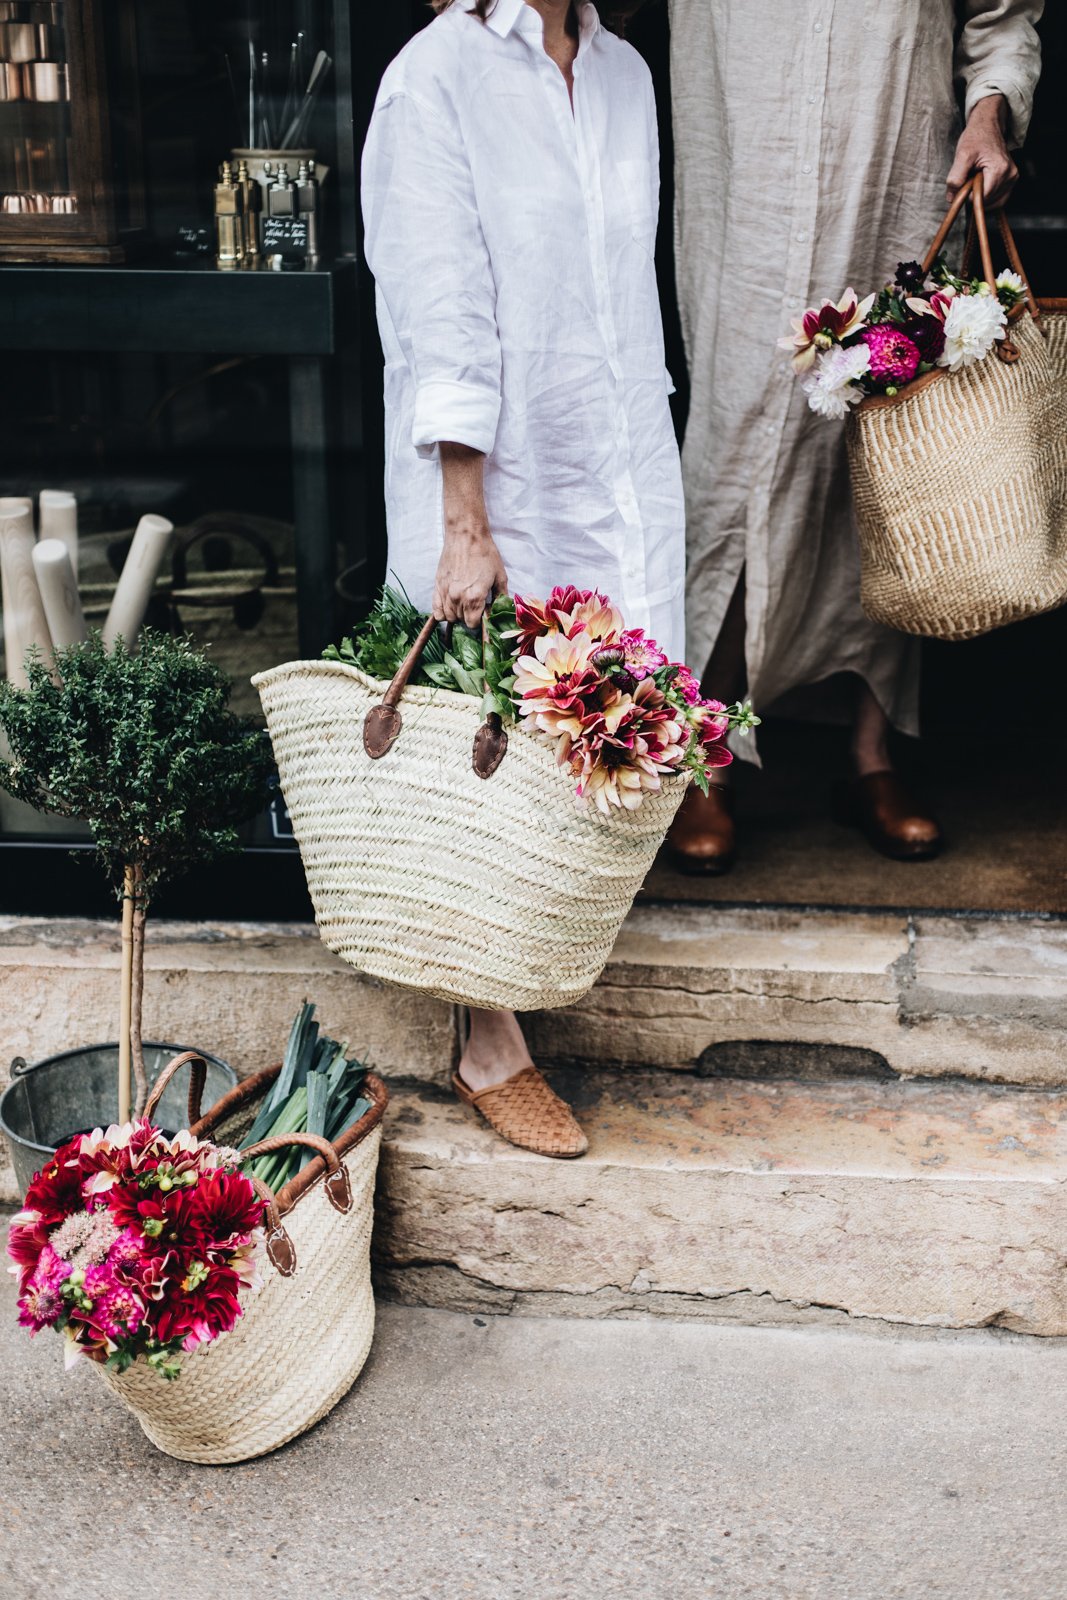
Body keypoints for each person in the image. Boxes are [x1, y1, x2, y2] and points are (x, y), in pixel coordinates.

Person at [361, 0, 675, 1156]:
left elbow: (620, 295)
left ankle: (545, 959)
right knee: (484, 749)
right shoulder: (432, 78)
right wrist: (462, 522)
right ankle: (486, 1034)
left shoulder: (624, 73)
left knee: (599, 734)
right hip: (498, 481)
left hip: (613, 461)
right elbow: (439, 320)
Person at [666, 0, 1044, 873]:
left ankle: (871, 756)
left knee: (887, 460)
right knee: (735, 451)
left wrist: (990, 111)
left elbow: (1000, 14)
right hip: (743, 182)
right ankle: (700, 751)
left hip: (897, 170)